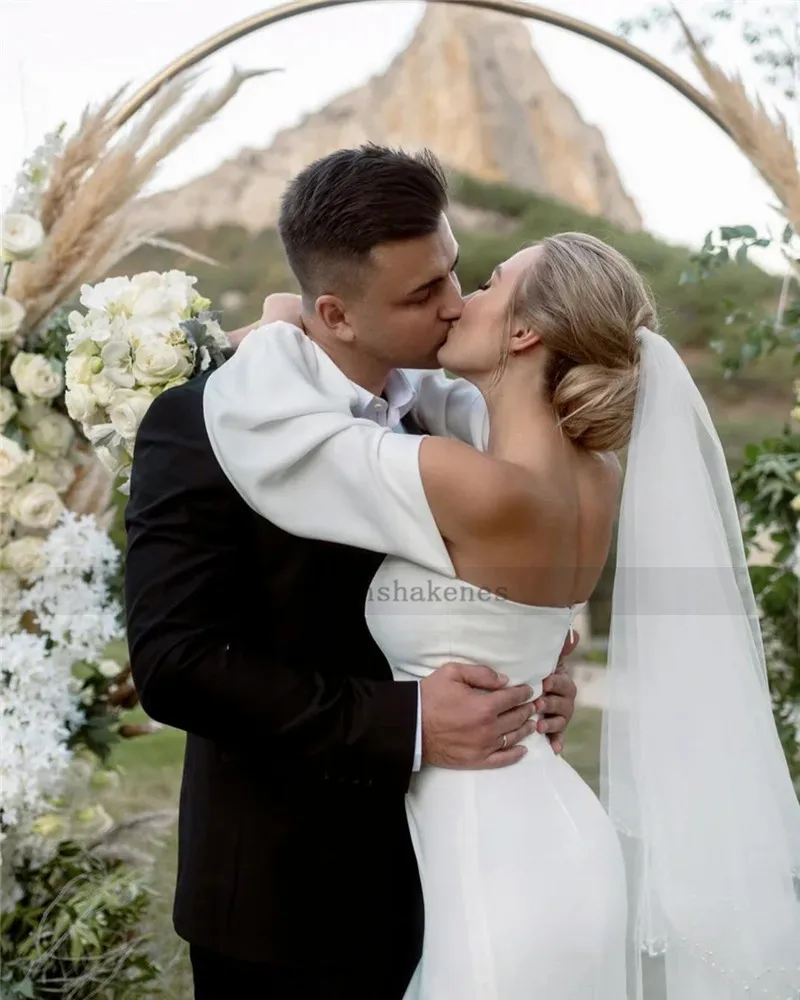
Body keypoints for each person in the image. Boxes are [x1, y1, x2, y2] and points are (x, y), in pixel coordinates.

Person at [204, 224, 800, 998]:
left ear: (525, 330)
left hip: (498, 879)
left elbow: (285, 437)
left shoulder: (482, 487)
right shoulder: (593, 471)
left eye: (487, 285)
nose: (461, 302)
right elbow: (471, 413)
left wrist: (286, 319)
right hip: (554, 838)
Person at [124, 145, 579, 1000]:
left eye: (454, 272)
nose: (454, 308)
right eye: (421, 295)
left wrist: (534, 672)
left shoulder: (461, 416)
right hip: (289, 900)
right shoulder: (201, 424)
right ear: (334, 314)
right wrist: (407, 721)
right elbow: (177, 664)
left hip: (463, 871)